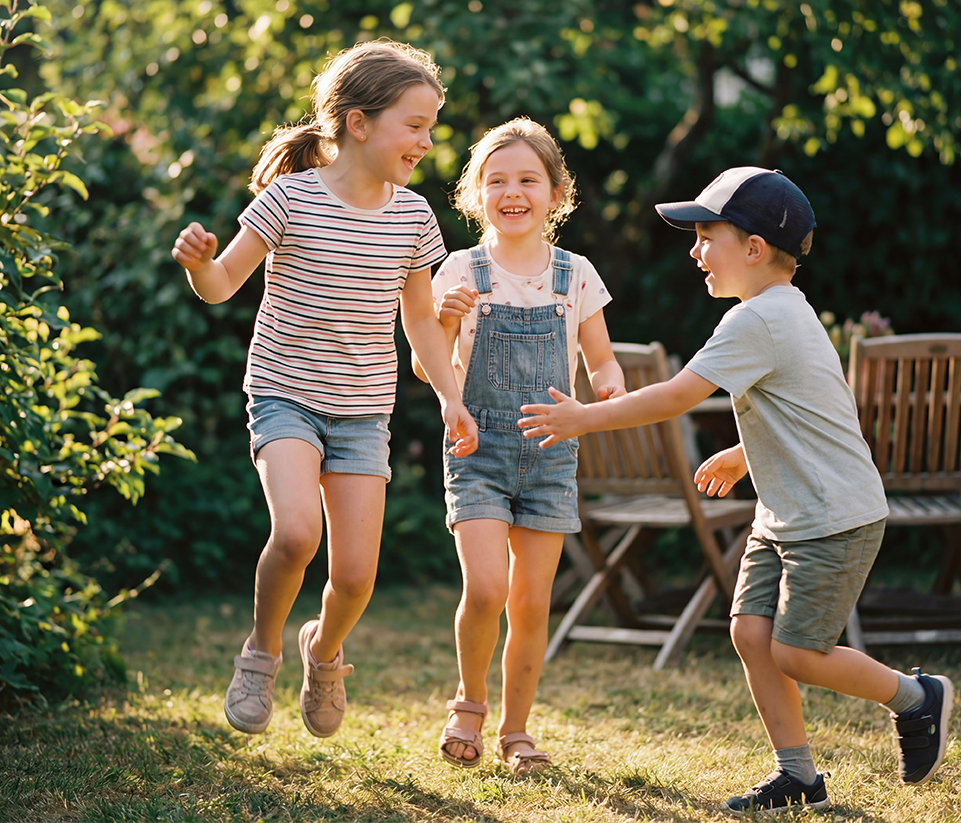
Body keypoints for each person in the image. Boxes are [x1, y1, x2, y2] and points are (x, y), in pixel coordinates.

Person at [518, 167, 953, 811]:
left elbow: (675, 397)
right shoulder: (780, 312)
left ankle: (919, 698)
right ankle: (798, 774)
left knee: (800, 653)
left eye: (705, 236)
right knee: (751, 635)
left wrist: (584, 417)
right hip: (788, 513)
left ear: (753, 248)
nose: (694, 251)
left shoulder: (759, 320)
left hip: (833, 519)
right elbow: (803, 412)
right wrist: (743, 452)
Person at [171, 39, 477, 739]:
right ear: (359, 123)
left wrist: (450, 396)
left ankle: (323, 650)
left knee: (358, 576)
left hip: (363, 410)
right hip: (284, 393)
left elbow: (421, 324)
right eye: (414, 125)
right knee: (295, 533)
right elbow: (221, 286)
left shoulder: (413, 216)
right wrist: (198, 264)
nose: (425, 141)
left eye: (431, 127)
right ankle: (262, 651)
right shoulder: (289, 198)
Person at [412, 118, 624, 773]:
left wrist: (609, 396)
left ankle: (515, 731)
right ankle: (468, 704)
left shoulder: (575, 275)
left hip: (551, 454)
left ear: (555, 194)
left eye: (527, 179)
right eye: (496, 180)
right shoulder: (458, 269)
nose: (513, 191)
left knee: (531, 602)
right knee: (484, 589)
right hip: (477, 446)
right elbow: (428, 367)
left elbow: (602, 362)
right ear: (476, 195)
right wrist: (445, 317)